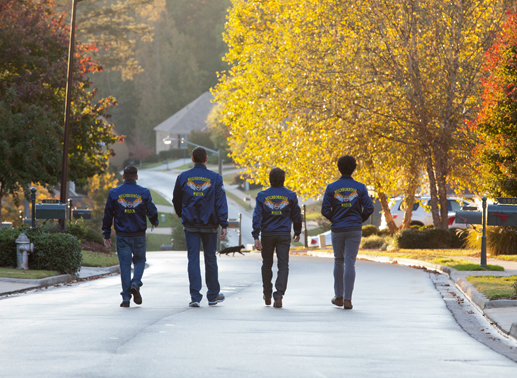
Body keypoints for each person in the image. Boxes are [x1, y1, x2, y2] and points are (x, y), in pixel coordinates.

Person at [172, 147, 229, 307]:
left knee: (193, 259)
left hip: (190, 225)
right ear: (206, 159)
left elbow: (176, 200)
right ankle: (212, 295)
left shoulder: (183, 177)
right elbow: (220, 202)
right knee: (210, 258)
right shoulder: (215, 178)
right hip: (210, 224)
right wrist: (223, 223)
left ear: (192, 159)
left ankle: (195, 296)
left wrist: (182, 215)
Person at [321, 155, 374, 310]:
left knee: (339, 260)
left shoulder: (331, 187)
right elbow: (369, 208)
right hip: (354, 228)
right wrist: (359, 219)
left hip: (338, 228)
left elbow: (325, 210)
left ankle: (338, 296)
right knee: (350, 261)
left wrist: (335, 219)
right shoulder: (360, 187)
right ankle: (348, 300)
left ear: (339, 168)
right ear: (354, 168)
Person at [102, 165, 159, 308]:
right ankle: (135, 284)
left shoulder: (114, 193)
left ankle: (126, 298)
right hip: (138, 234)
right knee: (140, 261)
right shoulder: (144, 193)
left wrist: (106, 234)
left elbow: (108, 215)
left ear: (123, 176)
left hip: (122, 235)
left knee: (125, 265)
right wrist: (154, 221)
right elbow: (151, 210)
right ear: (136, 177)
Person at [252, 168, 302, 308]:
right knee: (283, 265)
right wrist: (297, 231)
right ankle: (278, 294)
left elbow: (257, 216)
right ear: (283, 179)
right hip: (283, 234)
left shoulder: (262, 195)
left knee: (267, 264)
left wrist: (256, 235)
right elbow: (296, 215)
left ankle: (267, 293)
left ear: (270, 179)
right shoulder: (291, 195)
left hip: (267, 234)